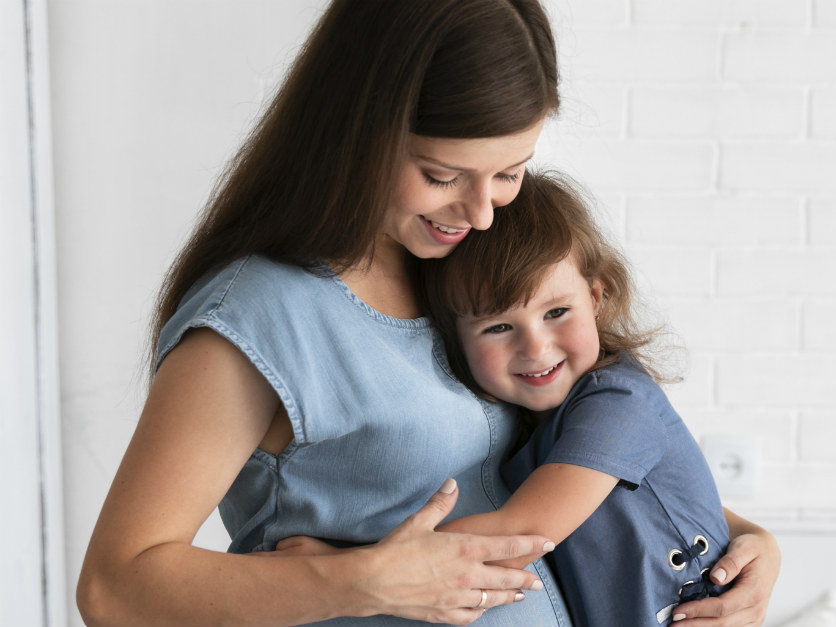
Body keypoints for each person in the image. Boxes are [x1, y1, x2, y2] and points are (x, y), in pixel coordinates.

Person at [76, 1, 780, 626]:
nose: (479, 213)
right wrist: (356, 580)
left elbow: (566, 461)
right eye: (443, 176)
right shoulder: (260, 317)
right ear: (359, 130)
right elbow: (115, 588)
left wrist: (746, 543)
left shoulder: (462, 274)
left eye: (509, 174)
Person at [417, 170, 741, 626]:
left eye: (556, 312)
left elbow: (518, 537)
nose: (535, 348)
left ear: (595, 297)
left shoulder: (619, 404)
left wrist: (360, 563)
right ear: (457, 340)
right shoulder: (526, 426)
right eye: (498, 327)